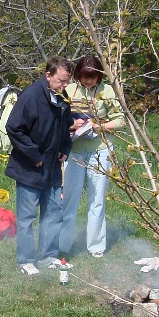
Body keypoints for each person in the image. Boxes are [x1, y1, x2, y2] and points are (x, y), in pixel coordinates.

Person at [5, 56, 77, 282]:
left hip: (53, 167)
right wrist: (33, 154)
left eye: (67, 81)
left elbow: (65, 127)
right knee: (27, 217)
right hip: (30, 166)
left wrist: (65, 147)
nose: (64, 85)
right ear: (48, 75)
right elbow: (13, 128)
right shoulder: (31, 96)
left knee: (54, 212)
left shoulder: (62, 97)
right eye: (61, 80)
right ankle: (25, 260)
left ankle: (48, 256)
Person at [59, 55, 124, 258]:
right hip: (75, 150)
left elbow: (121, 120)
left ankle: (96, 246)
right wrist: (72, 125)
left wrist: (98, 126)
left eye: (93, 77)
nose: (88, 81)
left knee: (97, 199)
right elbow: (58, 118)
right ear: (78, 75)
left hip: (100, 150)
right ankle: (63, 245)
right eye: (85, 77)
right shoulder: (68, 90)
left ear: (99, 76)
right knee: (70, 198)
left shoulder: (107, 91)